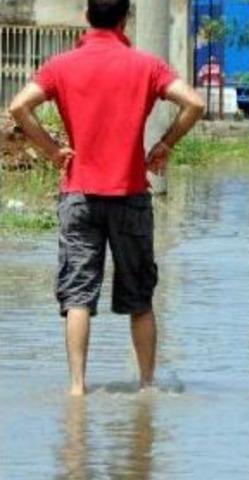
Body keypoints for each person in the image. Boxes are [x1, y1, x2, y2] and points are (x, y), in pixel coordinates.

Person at [9, 0, 204, 396]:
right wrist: (165, 143)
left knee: (78, 296)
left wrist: (50, 149)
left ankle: (78, 388)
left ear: (86, 16)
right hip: (131, 194)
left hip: (78, 193)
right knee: (140, 299)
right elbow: (195, 103)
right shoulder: (147, 65)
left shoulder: (62, 65)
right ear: (125, 17)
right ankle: (147, 386)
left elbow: (18, 106)